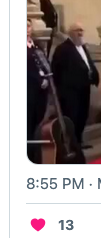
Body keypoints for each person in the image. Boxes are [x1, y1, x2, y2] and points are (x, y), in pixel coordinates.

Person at [51, 22, 99, 150]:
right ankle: (71, 143)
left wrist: (94, 76)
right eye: (78, 30)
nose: (81, 33)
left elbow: (88, 63)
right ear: (70, 32)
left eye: (82, 30)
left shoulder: (82, 47)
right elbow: (56, 69)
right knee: (72, 115)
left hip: (84, 87)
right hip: (70, 90)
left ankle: (79, 140)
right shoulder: (62, 49)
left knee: (83, 114)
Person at [27, 19, 48, 162]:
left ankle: (35, 153)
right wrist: (40, 80)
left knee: (38, 120)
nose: (27, 29)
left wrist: (47, 77)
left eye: (28, 26)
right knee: (28, 121)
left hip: (41, 90)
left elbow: (43, 63)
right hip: (28, 89)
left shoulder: (36, 45)